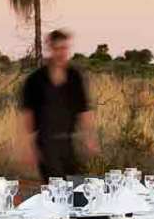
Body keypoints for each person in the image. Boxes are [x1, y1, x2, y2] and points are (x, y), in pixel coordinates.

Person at [18, 30, 96, 181]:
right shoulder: (35, 80)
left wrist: (90, 138)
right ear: (50, 50)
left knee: (75, 186)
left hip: (69, 143)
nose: (61, 53)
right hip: (46, 144)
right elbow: (27, 116)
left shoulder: (75, 77)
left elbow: (84, 111)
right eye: (57, 49)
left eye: (64, 49)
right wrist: (27, 148)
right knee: (56, 187)